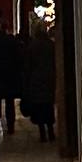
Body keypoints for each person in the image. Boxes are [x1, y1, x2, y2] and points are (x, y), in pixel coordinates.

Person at [21, 11, 58, 145]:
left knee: (39, 106)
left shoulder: (32, 46)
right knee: (48, 105)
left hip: (36, 79)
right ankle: (51, 132)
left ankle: (42, 133)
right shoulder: (50, 45)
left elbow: (28, 65)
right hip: (48, 78)